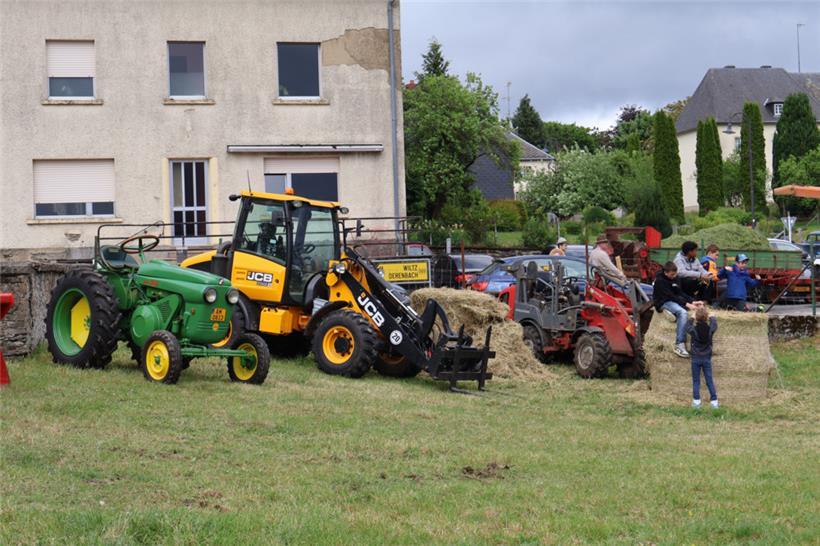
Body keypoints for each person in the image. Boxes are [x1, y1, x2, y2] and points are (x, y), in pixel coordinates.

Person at [653, 261, 704, 358]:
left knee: (685, 308)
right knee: (683, 312)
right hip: (664, 301)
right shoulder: (660, 281)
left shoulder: (675, 278)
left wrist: (692, 301)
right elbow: (671, 296)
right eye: (672, 274)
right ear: (665, 272)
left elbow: (679, 293)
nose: (674, 276)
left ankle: (672, 313)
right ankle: (679, 344)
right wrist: (686, 304)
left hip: (673, 300)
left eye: (675, 274)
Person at [686, 306, 719, 409]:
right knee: (709, 380)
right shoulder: (710, 330)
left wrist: (691, 318)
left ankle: (696, 402)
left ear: (696, 318)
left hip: (695, 358)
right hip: (706, 358)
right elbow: (714, 325)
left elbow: (686, 327)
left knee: (696, 381)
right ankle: (714, 402)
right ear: (706, 318)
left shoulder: (694, 330)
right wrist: (712, 317)